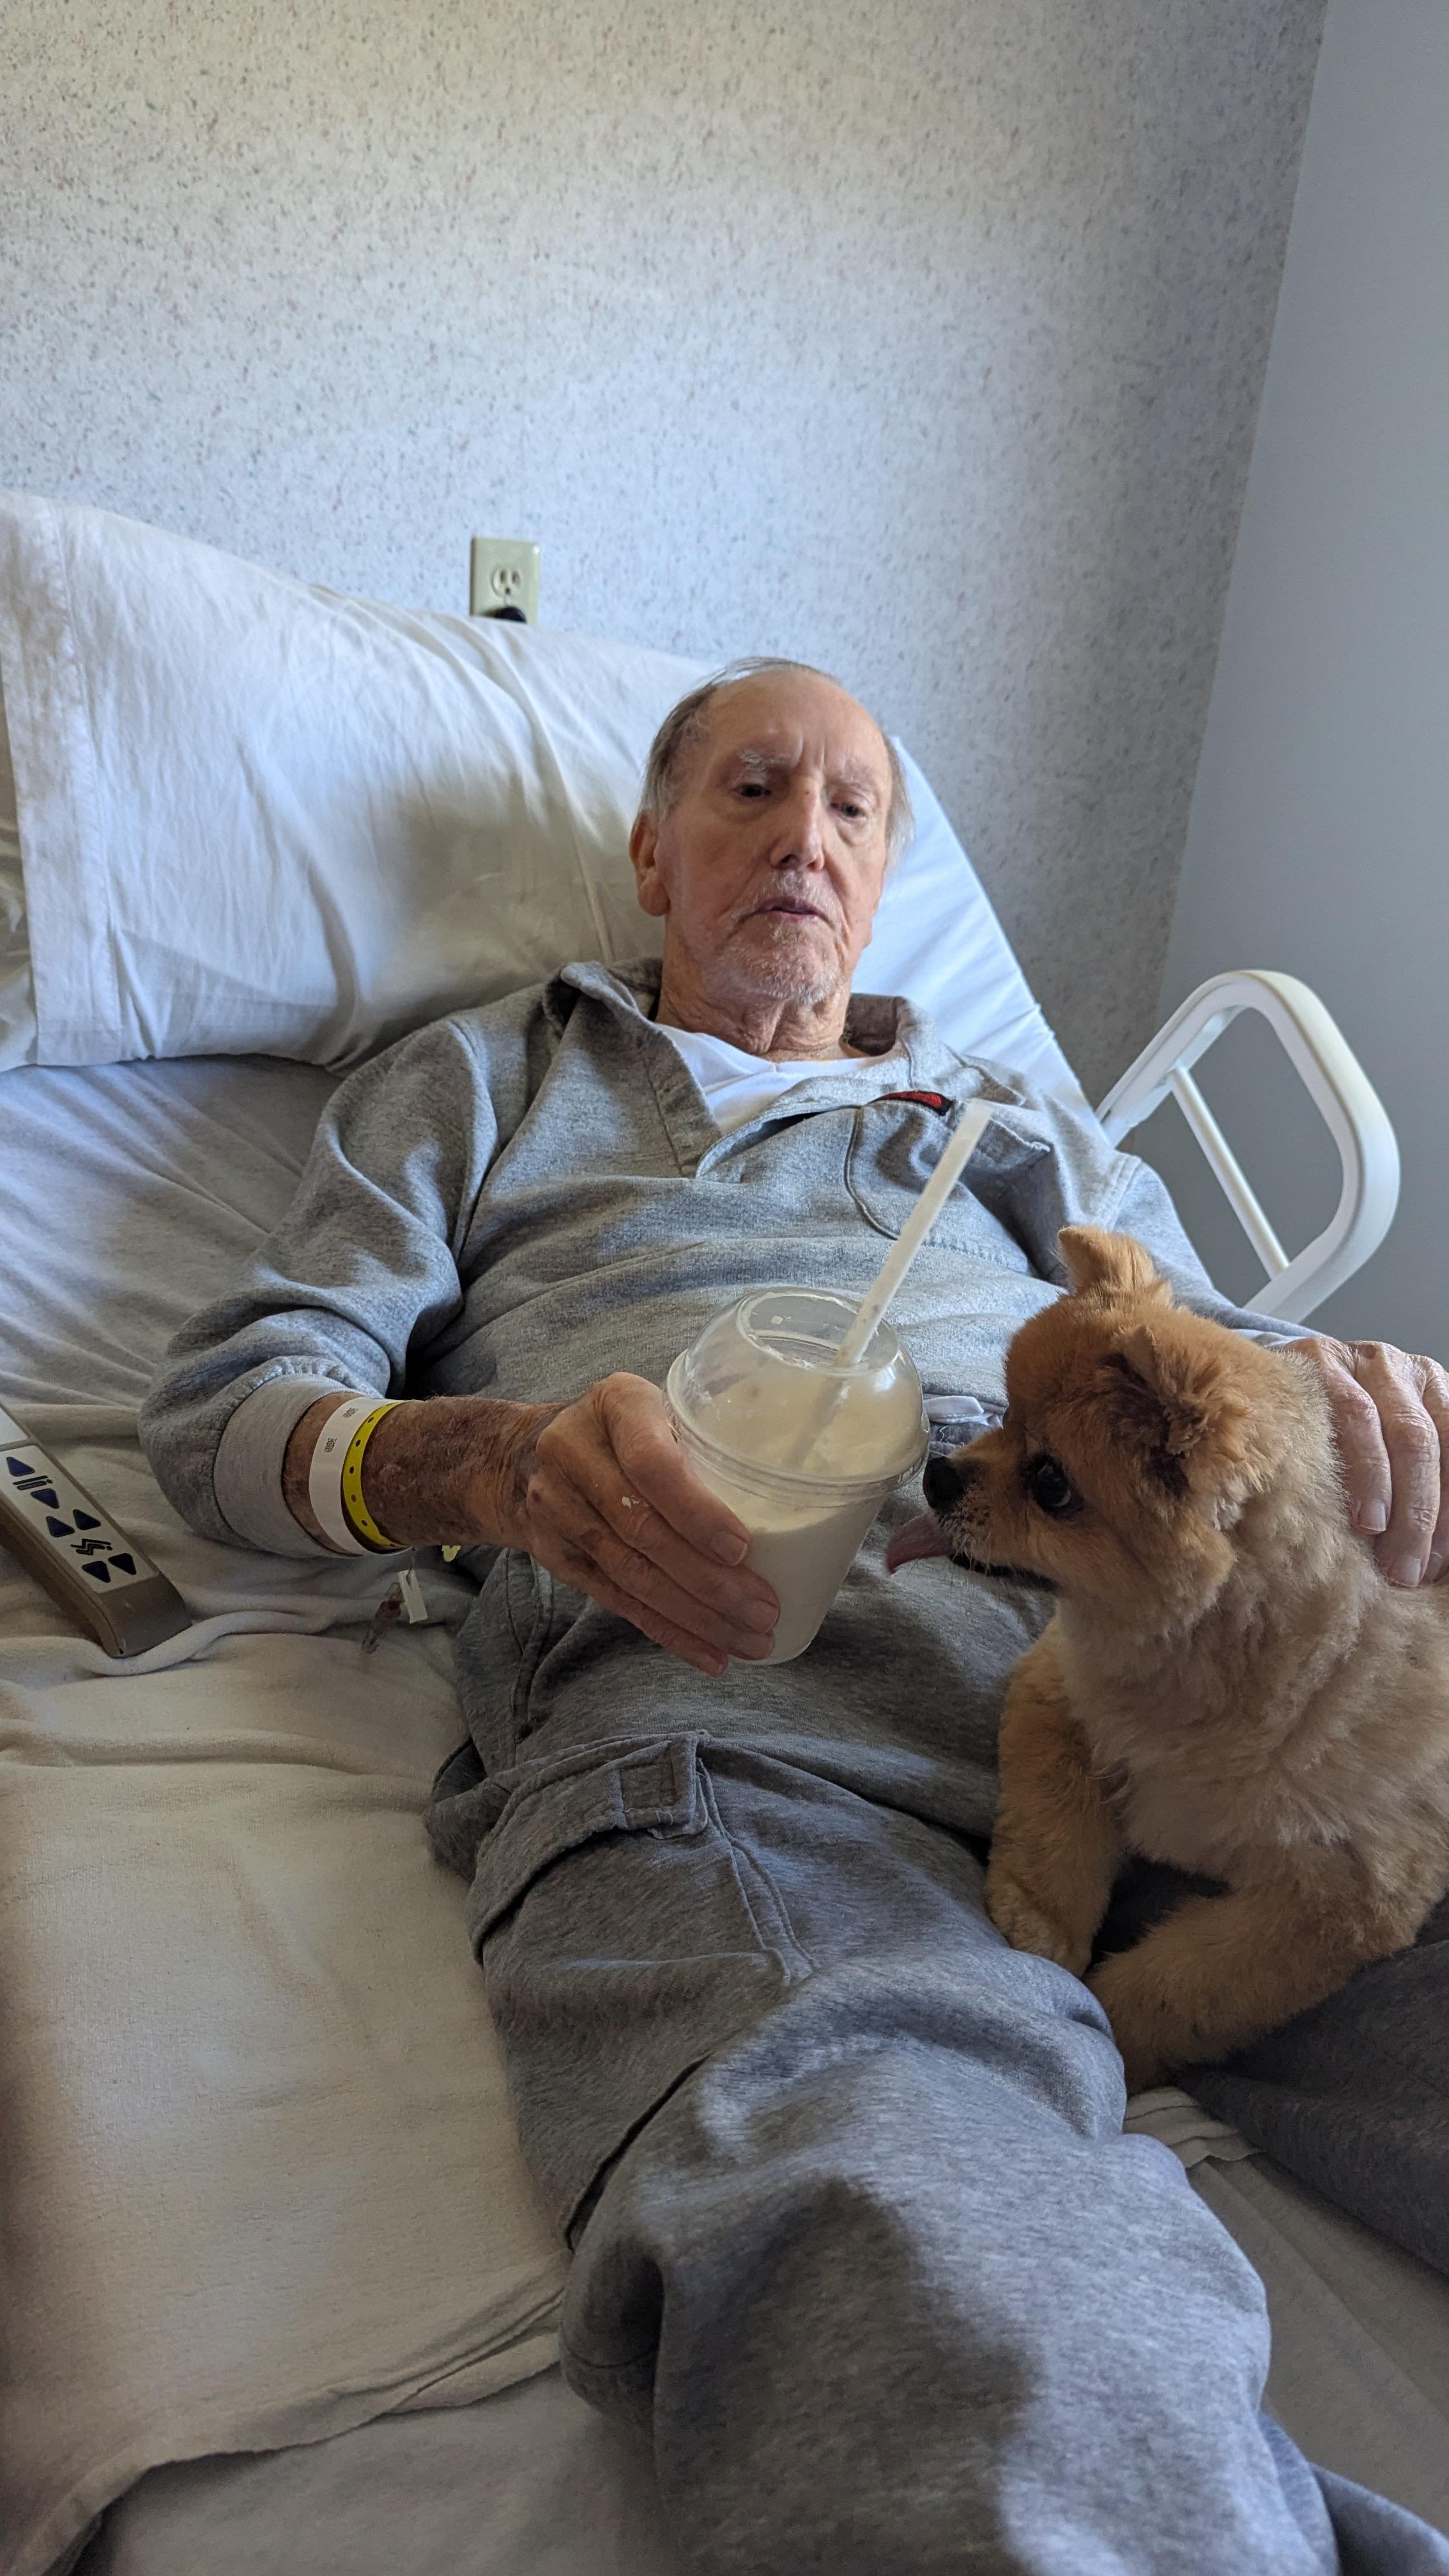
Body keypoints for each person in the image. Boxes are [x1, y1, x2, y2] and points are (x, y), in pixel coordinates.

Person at [141, 659, 1449, 2576]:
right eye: (755, 788)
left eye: (854, 812)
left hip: (1197, 1720)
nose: (806, 839)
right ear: (653, 856)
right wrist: (486, 1468)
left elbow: (1209, 1379)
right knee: (941, 2265)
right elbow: (222, 1415)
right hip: (755, 1720)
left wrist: (1362, 1404)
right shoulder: (491, 1076)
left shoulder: (997, 1116)